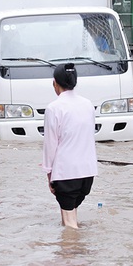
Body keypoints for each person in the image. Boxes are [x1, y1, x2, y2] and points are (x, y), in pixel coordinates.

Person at [42, 63, 98, 229]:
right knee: (71, 214)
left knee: (70, 226)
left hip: (66, 174)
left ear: (55, 83)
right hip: (87, 173)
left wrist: (48, 174)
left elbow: (50, 145)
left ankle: (74, 252)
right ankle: (71, 253)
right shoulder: (88, 104)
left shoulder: (53, 108)